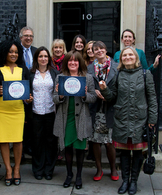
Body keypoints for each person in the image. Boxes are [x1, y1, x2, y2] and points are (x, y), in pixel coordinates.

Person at [100, 46, 158, 195]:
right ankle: (125, 181)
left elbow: (152, 98)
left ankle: (134, 182)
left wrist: (152, 119)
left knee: (138, 153)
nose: (127, 57)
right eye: (125, 55)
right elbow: (112, 97)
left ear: (136, 57)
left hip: (140, 120)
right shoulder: (118, 75)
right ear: (121, 58)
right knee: (124, 153)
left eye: (130, 54)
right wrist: (105, 89)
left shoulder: (146, 74)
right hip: (122, 119)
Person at [0, 39, 33, 186]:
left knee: (18, 140)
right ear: (5, 52)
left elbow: (28, 91)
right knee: (3, 140)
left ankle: (17, 169)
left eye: (16, 52)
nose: (13, 54)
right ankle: (8, 169)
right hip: (1, 109)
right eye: (10, 51)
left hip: (18, 109)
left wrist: (29, 98)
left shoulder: (23, 69)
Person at [53, 51, 97, 189]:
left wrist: (85, 95)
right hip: (65, 117)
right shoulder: (60, 77)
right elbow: (54, 98)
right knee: (67, 147)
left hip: (81, 118)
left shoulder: (87, 78)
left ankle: (78, 176)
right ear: (66, 63)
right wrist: (59, 96)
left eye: (75, 61)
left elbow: (93, 97)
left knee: (79, 148)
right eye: (70, 61)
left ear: (80, 63)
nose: (73, 63)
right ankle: (69, 174)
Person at [87, 41, 119, 182]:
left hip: (110, 109)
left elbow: (120, 88)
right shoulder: (89, 69)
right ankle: (99, 169)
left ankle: (113, 168)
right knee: (95, 141)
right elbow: (86, 86)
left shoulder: (116, 67)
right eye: (96, 49)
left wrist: (109, 95)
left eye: (101, 48)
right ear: (93, 52)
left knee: (109, 142)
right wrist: (93, 91)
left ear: (106, 50)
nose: (99, 51)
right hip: (95, 109)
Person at [29, 46, 60, 180]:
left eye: (45, 56)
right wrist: (27, 99)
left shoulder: (54, 73)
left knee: (51, 142)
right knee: (37, 142)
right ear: (36, 58)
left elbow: (59, 92)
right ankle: (38, 169)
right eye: (40, 56)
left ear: (49, 58)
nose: (43, 59)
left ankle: (49, 169)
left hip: (51, 112)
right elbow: (27, 92)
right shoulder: (30, 74)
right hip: (36, 113)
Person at [19, 26, 37, 157]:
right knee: (21, 119)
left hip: (34, 88)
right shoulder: (15, 51)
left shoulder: (36, 51)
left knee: (31, 119)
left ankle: (29, 145)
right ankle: (21, 145)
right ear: (21, 37)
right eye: (26, 36)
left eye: (31, 36)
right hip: (19, 87)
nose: (29, 38)